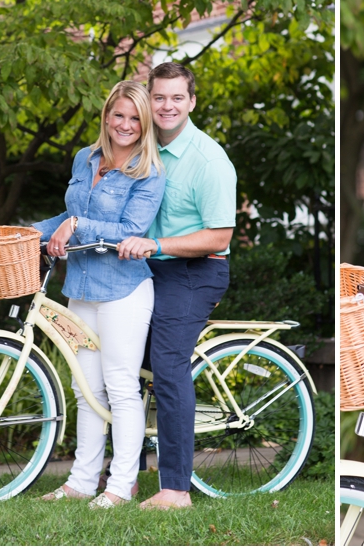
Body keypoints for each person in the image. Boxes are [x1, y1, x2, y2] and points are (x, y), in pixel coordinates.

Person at [33, 80, 165, 508]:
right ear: (106, 115)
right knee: (84, 387)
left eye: (134, 118)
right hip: (80, 288)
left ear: (144, 124)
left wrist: (79, 227)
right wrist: (27, 231)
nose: (125, 125)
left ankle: (121, 484)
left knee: (120, 386)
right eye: (118, 115)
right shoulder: (84, 158)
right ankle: (81, 481)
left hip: (124, 289)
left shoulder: (149, 172)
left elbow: (131, 230)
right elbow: (69, 215)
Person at [117, 62, 237, 510]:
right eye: (159, 97)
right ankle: (124, 477)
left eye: (176, 98)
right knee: (121, 362)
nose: (167, 106)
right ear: (149, 98)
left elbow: (220, 236)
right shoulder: (140, 149)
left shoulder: (208, 160)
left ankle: (175, 490)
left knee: (167, 365)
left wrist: (156, 243)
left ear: (191, 102)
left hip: (195, 270)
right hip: (150, 268)